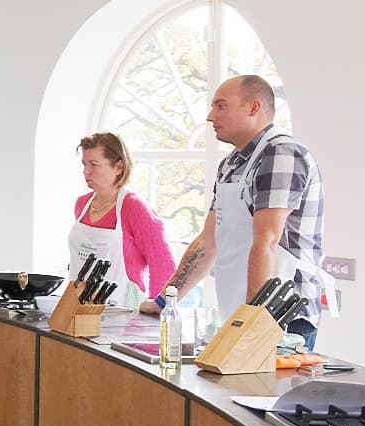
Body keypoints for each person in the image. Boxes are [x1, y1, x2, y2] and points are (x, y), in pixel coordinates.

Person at [139, 75, 332, 349]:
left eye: (221, 106)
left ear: (254, 107)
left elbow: (267, 242)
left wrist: (251, 324)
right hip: (238, 312)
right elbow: (207, 243)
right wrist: (164, 301)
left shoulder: (282, 154)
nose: (210, 116)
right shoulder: (231, 163)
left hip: (279, 318)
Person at [69, 132, 176, 306]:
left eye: (94, 164)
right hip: (77, 308)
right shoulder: (82, 205)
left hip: (123, 310)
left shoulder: (134, 207)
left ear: (118, 167)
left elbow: (163, 266)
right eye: (84, 164)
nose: (86, 171)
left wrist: (157, 309)